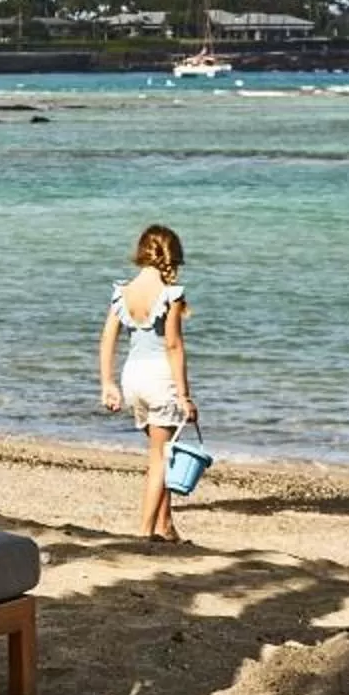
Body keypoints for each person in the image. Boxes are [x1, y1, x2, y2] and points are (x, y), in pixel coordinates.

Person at [99, 223, 197, 542]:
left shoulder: (122, 292)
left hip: (133, 379)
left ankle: (165, 526)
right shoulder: (171, 295)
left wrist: (108, 383)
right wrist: (184, 396)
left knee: (160, 451)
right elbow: (173, 345)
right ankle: (144, 533)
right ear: (173, 258)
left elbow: (107, 340)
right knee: (160, 460)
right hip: (160, 379)